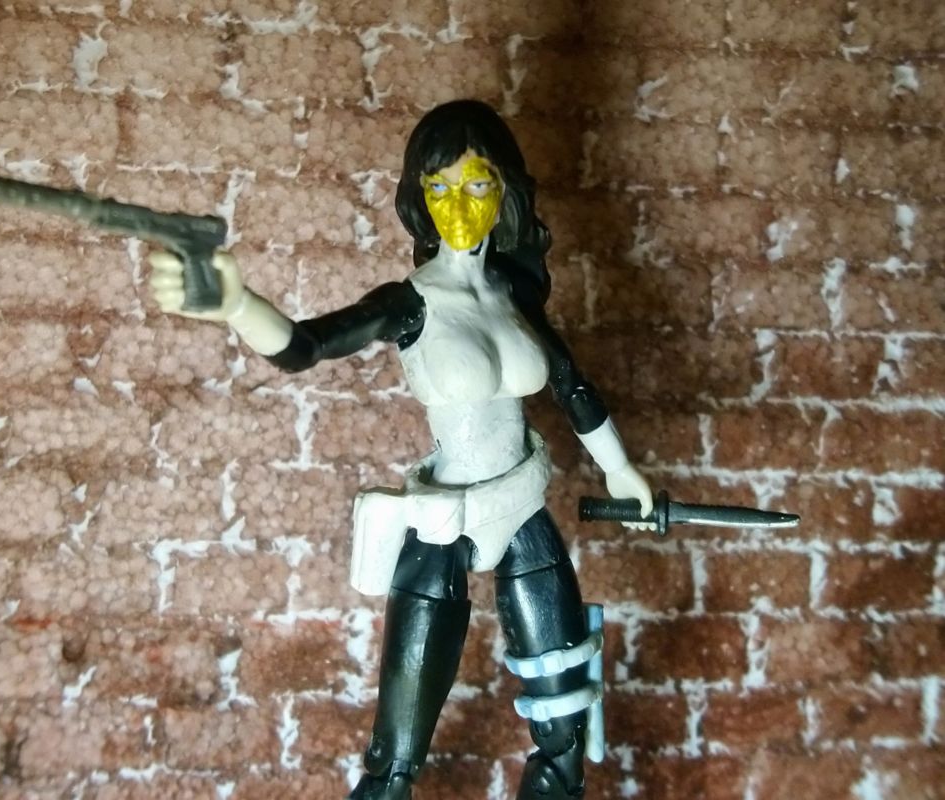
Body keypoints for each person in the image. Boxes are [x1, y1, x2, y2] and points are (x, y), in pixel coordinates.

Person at [150, 99, 654, 800]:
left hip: (522, 510)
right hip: (443, 523)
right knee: (393, 766)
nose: (457, 205)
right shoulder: (410, 303)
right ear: (419, 199)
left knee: (564, 740)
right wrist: (237, 306)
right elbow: (307, 346)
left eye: (475, 184)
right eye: (438, 188)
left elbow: (572, 386)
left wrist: (621, 469)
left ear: (504, 190)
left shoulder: (514, 294)